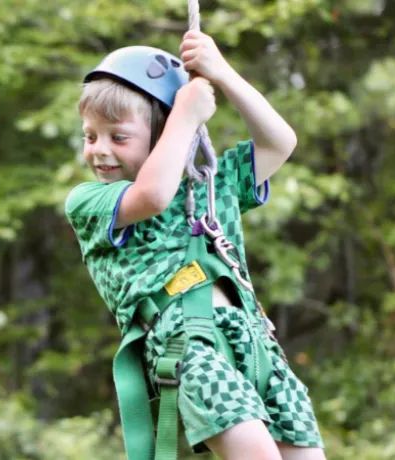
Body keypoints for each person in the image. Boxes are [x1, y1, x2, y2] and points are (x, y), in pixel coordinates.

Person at [64, 30, 326, 460]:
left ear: (163, 129)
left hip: (255, 342)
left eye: (118, 136)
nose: (100, 151)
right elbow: (153, 195)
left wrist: (223, 75)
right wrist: (185, 117)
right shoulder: (92, 202)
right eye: (90, 136)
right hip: (188, 343)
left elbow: (280, 142)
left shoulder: (209, 184)